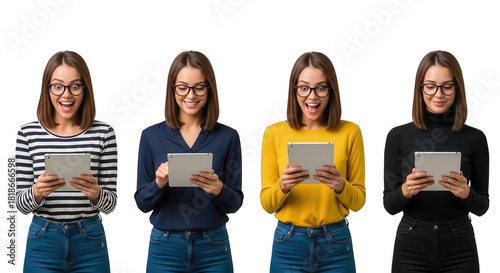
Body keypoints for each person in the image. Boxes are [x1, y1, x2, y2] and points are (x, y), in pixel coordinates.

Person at [134, 51, 243, 273]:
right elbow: (142, 203)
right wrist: (158, 183)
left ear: (209, 89)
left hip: (213, 248)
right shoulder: (151, 137)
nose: (190, 95)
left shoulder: (228, 137)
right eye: (182, 87)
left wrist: (218, 188)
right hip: (164, 249)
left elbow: (235, 203)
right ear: (172, 89)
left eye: (199, 87)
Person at [383, 50, 489, 272]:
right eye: (430, 86)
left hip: (460, 245)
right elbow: (389, 205)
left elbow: (482, 206)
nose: (438, 94)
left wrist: (465, 193)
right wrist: (406, 190)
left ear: (457, 89)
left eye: (447, 86)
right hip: (411, 245)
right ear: (420, 89)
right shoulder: (397, 136)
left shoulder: (475, 138)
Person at [260, 52, 365, 272]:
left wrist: (340, 186)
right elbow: (267, 204)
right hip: (288, 242)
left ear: (331, 90)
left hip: (335, 242)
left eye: (321, 88)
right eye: (304, 88)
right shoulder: (274, 133)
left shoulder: (350, 132)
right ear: (295, 90)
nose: (312, 97)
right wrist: (283, 186)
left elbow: (358, 202)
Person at [15, 51, 118, 272]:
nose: (66, 95)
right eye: (58, 86)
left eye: (75, 86)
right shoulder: (27, 134)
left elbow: (111, 204)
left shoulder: (104, 133)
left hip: (89, 240)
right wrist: (37, 191)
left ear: (85, 89)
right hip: (42, 240)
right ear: (48, 89)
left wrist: (96, 193)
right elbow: (20, 204)